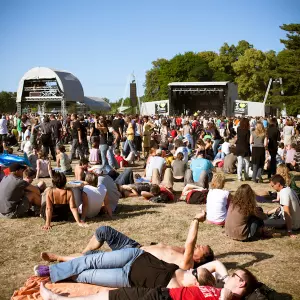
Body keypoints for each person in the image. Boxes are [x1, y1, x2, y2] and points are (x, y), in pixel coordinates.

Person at [35, 212, 219, 288]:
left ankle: (60, 259)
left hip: (136, 268)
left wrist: (196, 221)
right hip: (135, 250)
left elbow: (191, 242)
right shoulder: (181, 253)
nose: (201, 245)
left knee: (92, 260)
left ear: (202, 260)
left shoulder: (187, 263)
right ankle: (72, 261)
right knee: (102, 233)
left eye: (204, 249)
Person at [40, 267, 259, 300]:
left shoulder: (226, 298)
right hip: (161, 293)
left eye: (233, 275)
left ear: (241, 285)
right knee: (115, 295)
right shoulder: (220, 290)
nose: (227, 276)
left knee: (113, 297)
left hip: (162, 298)